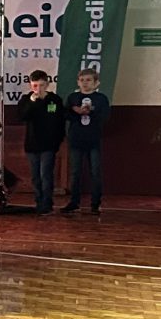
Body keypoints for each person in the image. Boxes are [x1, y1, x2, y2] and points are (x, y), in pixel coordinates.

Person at [18, 69, 67, 215]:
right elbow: (22, 117)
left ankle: (47, 203)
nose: (38, 89)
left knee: (46, 174)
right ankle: (39, 201)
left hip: (49, 144)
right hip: (32, 144)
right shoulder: (26, 100)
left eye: (41, 85)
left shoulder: (55, 100)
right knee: (35, 175)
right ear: (30, 85)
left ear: (47, 84)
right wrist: (33, 102)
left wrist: (58, 141)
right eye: (35, 85)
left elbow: (60, 121)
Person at [61, 68, 109, 216]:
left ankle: (95, 203)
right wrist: (75, 111)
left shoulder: (101, 98)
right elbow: (65, 114)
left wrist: (91, 110)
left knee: (95, 171)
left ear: (96, 83)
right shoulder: (73, 97)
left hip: (93, 139)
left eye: (88, 80)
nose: (85, 83)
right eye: (82, 80)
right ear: (78, 82)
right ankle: (74, 202)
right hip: (76, 138)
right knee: (75, 172)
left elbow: (105, 115)